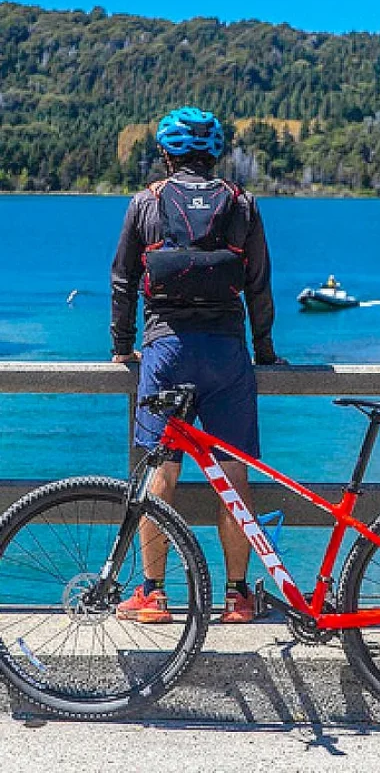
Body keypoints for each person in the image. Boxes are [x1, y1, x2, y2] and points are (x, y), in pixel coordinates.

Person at [111, 105, 284, 624]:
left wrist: (123, 347)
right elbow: (258, 284)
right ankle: (236, 597)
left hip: (166, 351)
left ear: (166, 153)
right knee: (233, 477)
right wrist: (266, 351)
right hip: (227, 353)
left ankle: (153, 595)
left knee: (159, 474)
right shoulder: (242, 203)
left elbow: (122, 280)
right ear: (214, 154)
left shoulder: (147, 202)